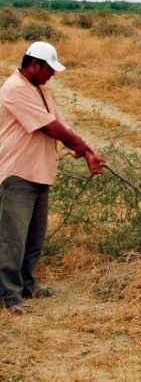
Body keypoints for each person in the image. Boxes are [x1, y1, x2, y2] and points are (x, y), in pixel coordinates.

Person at [0, 42, 106, 315]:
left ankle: (29, 284)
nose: (52, 75)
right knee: (12, 239)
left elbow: (62, 125)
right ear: (35, 65)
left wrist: (88, 153)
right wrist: (82, 148)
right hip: (18, 172)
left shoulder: (40, 89)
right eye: (49, 69)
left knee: (34, 237)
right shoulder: (15, 89)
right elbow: (50, 127)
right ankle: (9, 296)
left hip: (39, 172)